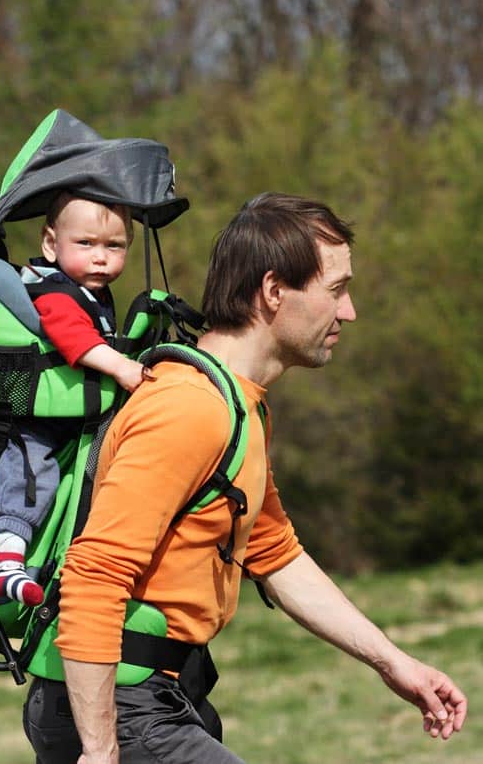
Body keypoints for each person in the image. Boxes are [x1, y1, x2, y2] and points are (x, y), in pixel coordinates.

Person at [23, 192, 467, 764]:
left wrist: (394, 663)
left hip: (160, 698)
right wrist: (101, 749)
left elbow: (275, 552)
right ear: (275, 291)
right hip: (118, 709)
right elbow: (94, 575)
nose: (349, 311)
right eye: (336, 290)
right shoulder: (188, 408)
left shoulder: (238, 406)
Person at [0, 193, 146, 608]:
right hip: (32, 419)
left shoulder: (88, 291)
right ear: (49, 244)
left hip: (66, 420)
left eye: (114, 246)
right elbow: (75, 341)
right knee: (29, 472)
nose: (100, 257)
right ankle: (6, 559)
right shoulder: (57, 293)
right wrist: (121, 367)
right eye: (86, 244)